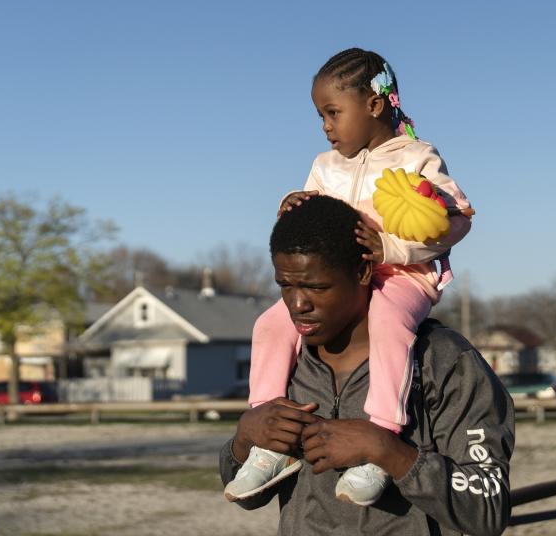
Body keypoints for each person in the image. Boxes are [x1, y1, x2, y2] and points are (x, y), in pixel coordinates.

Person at [225, 47, 474, 506]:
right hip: (341, 281)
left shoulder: (419, 158)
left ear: (374, 106)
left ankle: (378, 436)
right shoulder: (325, 165)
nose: (325, 125)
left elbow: (456, 219)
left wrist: (392, 248)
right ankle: (269, 436)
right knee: (270, 324)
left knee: (386, 322)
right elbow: (314, 217)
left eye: (333, 112)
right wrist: (294, 201)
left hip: (404, 274)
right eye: (320, 115)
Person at [218, 196, 514, 536]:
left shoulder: (444, 360)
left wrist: (391, 453)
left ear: (362, 271)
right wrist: (243, 441)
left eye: (316, 287)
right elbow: (247, 497)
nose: (297, 304)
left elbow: (488, 510)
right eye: (286, 285)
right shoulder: (283, 359)